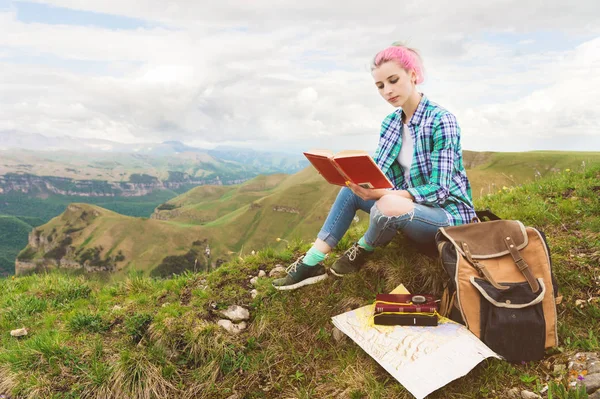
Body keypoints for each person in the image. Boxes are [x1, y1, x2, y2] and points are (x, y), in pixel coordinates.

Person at [273, 42, 476, 291]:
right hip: (406, 208)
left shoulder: (441, 121)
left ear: (413, 75)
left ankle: (364, 247)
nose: (387, 90)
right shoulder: (390, 123)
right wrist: (351, 176)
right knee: (351, 192)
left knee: (387, 204)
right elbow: (381, 174)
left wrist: (385, 194)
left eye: (393, 80)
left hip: (446, 217)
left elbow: (439, 190)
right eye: (380, 85)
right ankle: (311, 263)